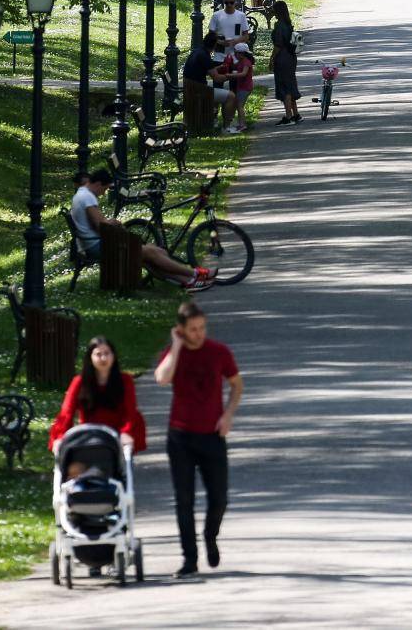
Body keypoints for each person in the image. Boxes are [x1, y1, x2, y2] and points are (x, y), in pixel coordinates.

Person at [154, 299, 242, 578]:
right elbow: (161, 378)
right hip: (180, 436)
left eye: (202, 328)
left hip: (212, 436)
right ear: (180, 329)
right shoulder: (174, 353)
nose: (199, 334)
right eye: (192, 329)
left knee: (219, 499)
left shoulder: (219, 352)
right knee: (184, 500)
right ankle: (189, 559)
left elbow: (236, 385)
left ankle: (210, 535)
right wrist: (177, 347)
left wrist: (227, 414)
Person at [71, 171, 215, 288]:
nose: (103, 193)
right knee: (151, 252)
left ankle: (187, 281)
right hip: (97, 246)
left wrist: (111, 224)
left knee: (156, 251)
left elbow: (98, 224)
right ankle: (195, 273)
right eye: (104, 188)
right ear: (97, 184)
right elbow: (100, 226)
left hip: (97, 243)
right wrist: (113, 223)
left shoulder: (82, 194)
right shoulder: (87, 198)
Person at [49, 336, 148, 468]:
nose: (103, 358)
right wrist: (61, 437)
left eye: (107, 353)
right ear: (90, 357)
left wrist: (126, 433)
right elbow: (67, 412)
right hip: (89, 435)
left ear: (113, 356)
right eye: (98, 354)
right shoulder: (79, 382)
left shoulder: (125, 380)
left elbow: (130, 411)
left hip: (116, 435)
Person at [184, 32, 235, 122]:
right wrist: (231, 76)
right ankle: (226, 127)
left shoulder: (197, 51)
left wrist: (218, 67)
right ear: (214, 45)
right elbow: (217, 78)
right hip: (199, 90)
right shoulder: (205, 56)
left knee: (219, 94)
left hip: (190, 88)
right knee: (230, 96)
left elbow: (202, 70)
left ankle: (214, 121)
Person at [209, 43, 255, 132]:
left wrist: (230, 75)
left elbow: (243, 74)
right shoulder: (241, 62)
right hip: (241, 87)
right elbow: (235, 68)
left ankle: (242, 124)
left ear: (241, 53)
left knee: (239, 106)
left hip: (245, 87)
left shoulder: (246, 62)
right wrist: (225, 66)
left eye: (236, 53)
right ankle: (240, 123)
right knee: (238, 105)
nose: (235, 55)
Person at [269, 0, 301, 125]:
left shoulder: (279, 26)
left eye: (273, 10)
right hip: (291, 57)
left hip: (282, 58)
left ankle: (288, 116)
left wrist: (271, 59)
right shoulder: (288, 24)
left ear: (277, 11)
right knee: (291, 83)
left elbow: (278, 45)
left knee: (284, 87)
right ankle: (296, 114)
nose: (272, 12)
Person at [208, 0, 248, 65]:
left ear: (235, 2)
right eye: (226, 3)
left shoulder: (241, 16)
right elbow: (210, 36)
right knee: (221, 76)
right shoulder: (216, 15)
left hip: (236, 55)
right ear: (223, 1)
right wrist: (221, 42)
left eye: (231, 3)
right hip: (219, 56)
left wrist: (235, 41)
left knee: (235, 75)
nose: (229, 5)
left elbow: (246, 36)